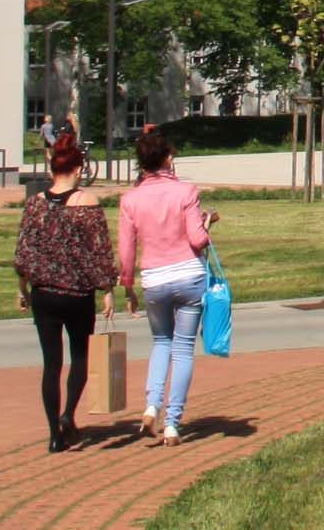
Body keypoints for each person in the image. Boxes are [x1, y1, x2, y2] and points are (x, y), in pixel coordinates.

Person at [13, 132, 115, 452]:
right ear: (79, 169)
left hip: (45, 293)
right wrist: (108, 289)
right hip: (78, 294)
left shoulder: (35, 205)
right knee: (81, 356)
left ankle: (54, 435)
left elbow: (23, 253)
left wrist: (23, 289)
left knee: (51, 364)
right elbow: (100, 251)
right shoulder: (87, 203)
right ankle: (68, 414)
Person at [118, 131, 218, 446]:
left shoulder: (130, 200)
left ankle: (151, 405)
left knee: (161, 342)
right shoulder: (185, 192)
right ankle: (173, 422)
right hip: (188, 273)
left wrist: (127, 285)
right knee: (183, 347)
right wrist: (206, 223)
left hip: (155, 278)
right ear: (167, 159)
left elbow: (126, 249)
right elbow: (197, 239)